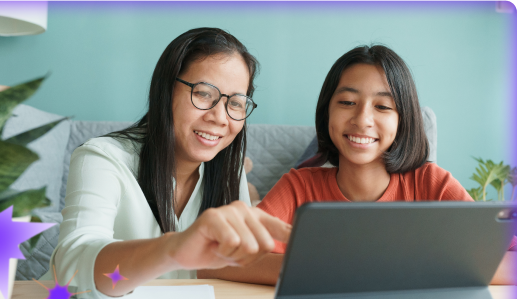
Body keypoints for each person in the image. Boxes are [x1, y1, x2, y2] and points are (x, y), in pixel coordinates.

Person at [200, 45, 516, 285]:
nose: (362, 119)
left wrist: (401, 271)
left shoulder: (432, 183)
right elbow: (216, 261)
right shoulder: (299, 186)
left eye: (383, 106)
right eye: (348, 102)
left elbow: (501, 257)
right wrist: (324, 269)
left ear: (402, 120)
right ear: (327, 113)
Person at [50, 28, 291, 299]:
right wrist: (173, 249)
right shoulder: (101, 158)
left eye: (235, 103)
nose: (220, 117)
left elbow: (231, 262)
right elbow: (71, 269)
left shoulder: (228, 169)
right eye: (203, 93)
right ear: (165, 90)